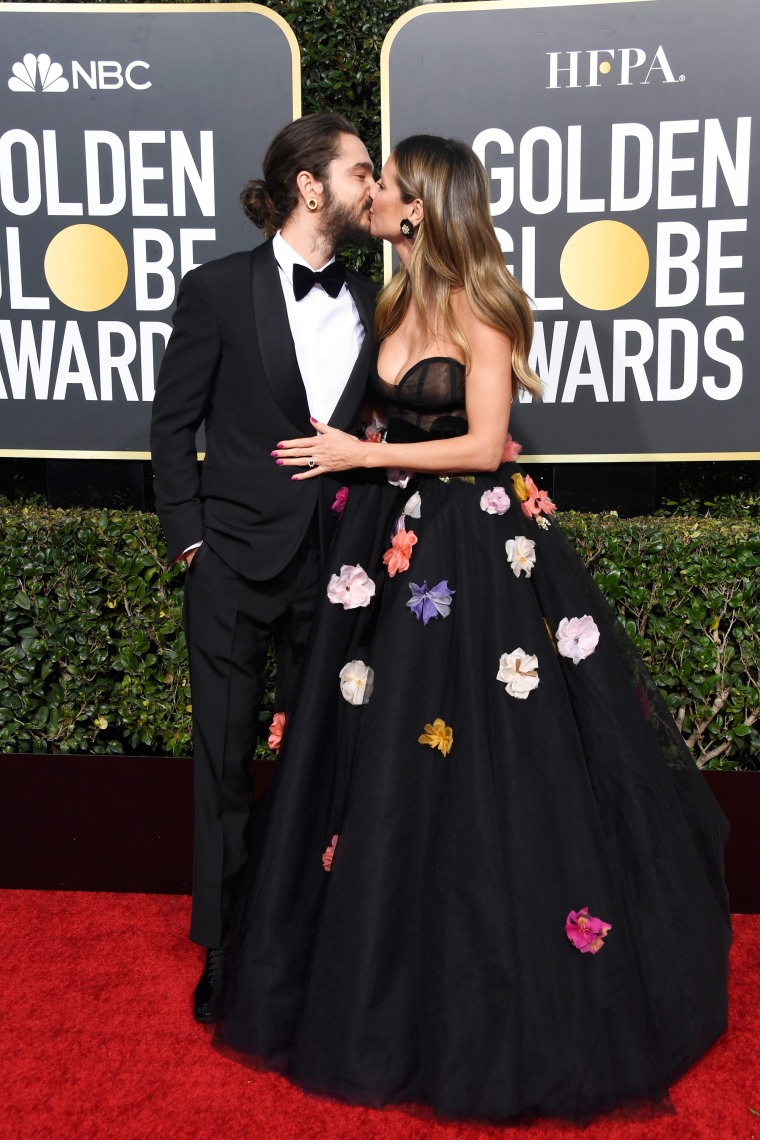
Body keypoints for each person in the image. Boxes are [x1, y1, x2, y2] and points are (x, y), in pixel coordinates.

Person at [215, 136, 731, 1123]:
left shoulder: (482, 309)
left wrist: (360, 462)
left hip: (468, 555)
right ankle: (377, 974)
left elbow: (487, 444)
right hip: (386, 548)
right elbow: (384, 423)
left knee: (478, 756)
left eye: (387, 186)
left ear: (421, 208)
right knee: (376, 753)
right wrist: (360, 460)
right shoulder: (391, 301)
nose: (370, 196)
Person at [150, 113, 378, 1022]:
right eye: (361, 171)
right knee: (223, 761)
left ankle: (308, 928)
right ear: (310, 185)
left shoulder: (371, 299)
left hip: (339, 566)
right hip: (235, 565)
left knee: (328, 755)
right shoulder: (215, 290)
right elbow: (173, 426)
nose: (373, 184)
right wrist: (191, 540)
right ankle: (223, 944)